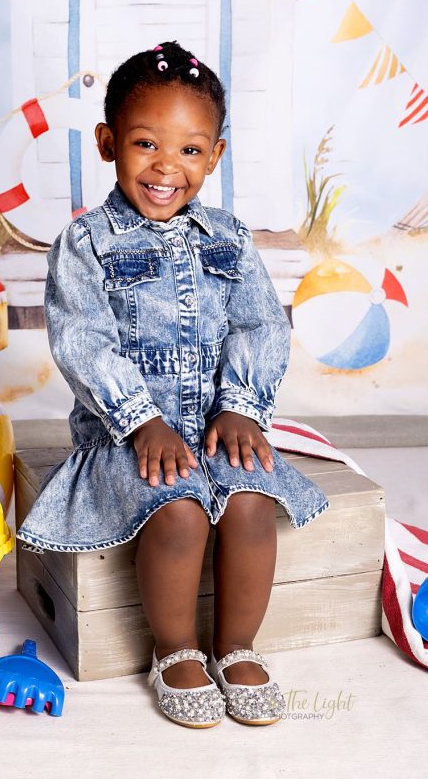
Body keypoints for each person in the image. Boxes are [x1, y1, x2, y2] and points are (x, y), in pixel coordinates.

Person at [17, 41, 329, 728]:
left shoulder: (229, 238)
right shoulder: (86, 243)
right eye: (145, 144)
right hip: (127, 437)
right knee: (180, 510)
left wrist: (241, 407)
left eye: (189, 150)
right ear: (108, 144)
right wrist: (141, 420)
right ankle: (174, 649)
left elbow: (258, 324)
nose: (166, 166)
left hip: (218, 426)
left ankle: (237, 645)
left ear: (214, 156)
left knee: (250, 501)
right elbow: (83, 341)